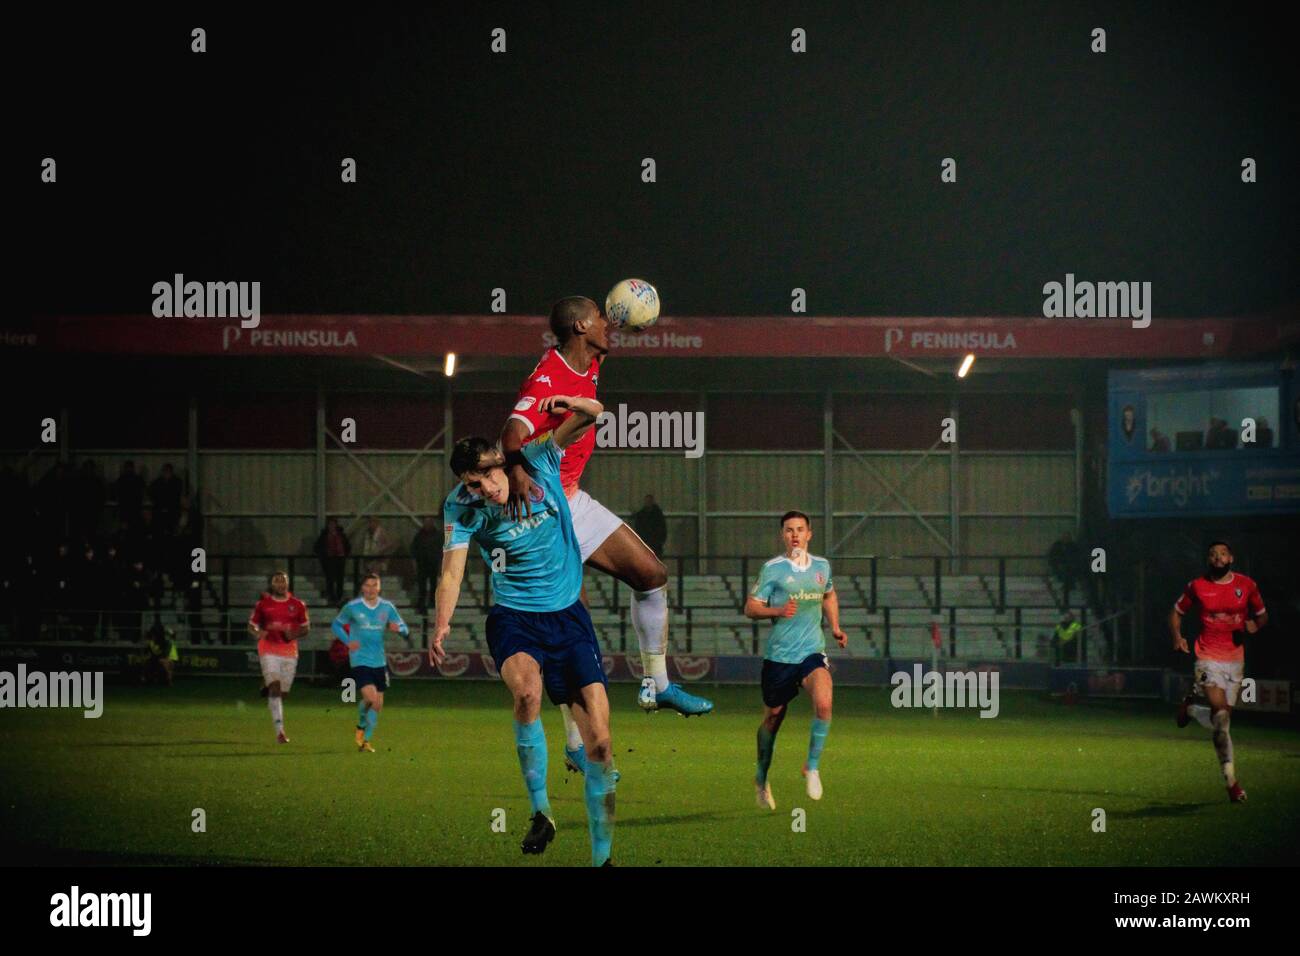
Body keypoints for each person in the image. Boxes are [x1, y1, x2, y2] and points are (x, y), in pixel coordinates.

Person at [500, 296, 712, 726]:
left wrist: (623, 318)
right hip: (544, 517)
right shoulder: (547, 378)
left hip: (574, 497)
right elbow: (510, 433)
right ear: (580, 326)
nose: (607, 323)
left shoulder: (589, 361)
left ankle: (657, 686)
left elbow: (604, 337)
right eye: (599, 318)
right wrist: (518, 469)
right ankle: (577, 745)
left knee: (651, 575)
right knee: (571, 628)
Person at [433, 395, 618, 865]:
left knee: (600, 743)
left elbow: (595, 412)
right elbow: (452, 572)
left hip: (568, 616)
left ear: (500, 462)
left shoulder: (538, 459)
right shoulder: (461, 507)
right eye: (472, 485)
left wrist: (563, 401)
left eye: (487, 477)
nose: (483, 490)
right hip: (515, 616)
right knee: (527, 695)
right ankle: (542, 812)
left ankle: (602, 860)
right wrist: (442, 624)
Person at [743, 511, 846, 808]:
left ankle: (811, 766)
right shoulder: (773, 569)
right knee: (773, 717)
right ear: (782, 535)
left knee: (824, 703)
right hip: (779, 658)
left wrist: (836, 627)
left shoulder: (822, 567)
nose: (795, 535)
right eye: (789, 530)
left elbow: (828, 595)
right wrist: (776, 611)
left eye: (800, 529)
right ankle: (761, 778)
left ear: (810, 533)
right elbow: (751, 608)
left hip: (811, 653)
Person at [1171, 541, 1267, 803]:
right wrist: (1177, 636)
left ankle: (1190, 710)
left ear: (1231, 557)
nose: (1217, 557)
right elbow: (1177, 612)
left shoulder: (1247, 585)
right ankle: (1232, 784)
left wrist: (1254, 627)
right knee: (1220, 710)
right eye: (1212, 554)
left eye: (1222, 553)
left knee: (1221, 724)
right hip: (1207, 658)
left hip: (1235, 661)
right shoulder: (1197, 586)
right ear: (1208, 560)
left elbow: (1262, 616)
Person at [331, 574, 408, 752]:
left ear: (379, 587)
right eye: (368, 585)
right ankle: (360, 724)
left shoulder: (387, 607)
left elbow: (404, 628)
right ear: (362, 588)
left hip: (379, 661)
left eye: (375, 585)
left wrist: (400, 629)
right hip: (359, 659)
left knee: (378, 704)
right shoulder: (353, 607)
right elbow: (336, 625)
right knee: (370, 698)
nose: (371, 588)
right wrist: (347, 640)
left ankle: (366, 740)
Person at [248, 571, 310, 744]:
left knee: (282, 693)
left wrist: (293, 634)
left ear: (288, 584)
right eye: (277, 581)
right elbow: (251, 626)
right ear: (272, 584)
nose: (280, 584)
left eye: (283, 581)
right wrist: (259, 632)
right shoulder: (263, 604)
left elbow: (306, 628)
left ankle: (269, 689)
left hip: (289, 651)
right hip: (268, 649)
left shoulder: (297, 605)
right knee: (275, 687)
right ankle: (280, 732)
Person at [314, 516, 350, 604]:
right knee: (330, 579)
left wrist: (344, 555)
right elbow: (317, 547)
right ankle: (332, 597)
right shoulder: (325, 535)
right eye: (330, 524)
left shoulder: (341, 534)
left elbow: (347, 545)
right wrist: (323, 556)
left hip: (340, 559)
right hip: (329, 560)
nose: (332, 526)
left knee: (339, 579)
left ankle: (339, 596)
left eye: (333, 524)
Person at [411, 516, 441, 614]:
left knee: (433, 584)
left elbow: (442, 550)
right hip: (422, 565)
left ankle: (432, 602)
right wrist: (415, 563)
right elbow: (414, 550)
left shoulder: (438, 535)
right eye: (426, 522)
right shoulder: (419, 536)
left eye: (429, 522)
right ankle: (421, 603)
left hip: (433, 564)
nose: (427, 524)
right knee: (422, 586)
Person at [143, 620, 178, 686]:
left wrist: (168, 630)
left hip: (168, 658)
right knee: (150, 663)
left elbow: (173, 636)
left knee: (165, 664)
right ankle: (149, 679)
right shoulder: (153, 641)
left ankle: (168, 680)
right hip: (160, 658)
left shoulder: (166, 641)